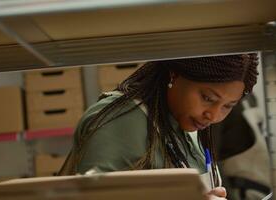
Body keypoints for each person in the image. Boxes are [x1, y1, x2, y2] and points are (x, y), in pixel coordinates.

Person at [59, 54, 259, 200]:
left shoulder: (185, 128)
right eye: (207, 98)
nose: (214, 115)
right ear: (174, 75)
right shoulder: (122, 119)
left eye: (227, 106)